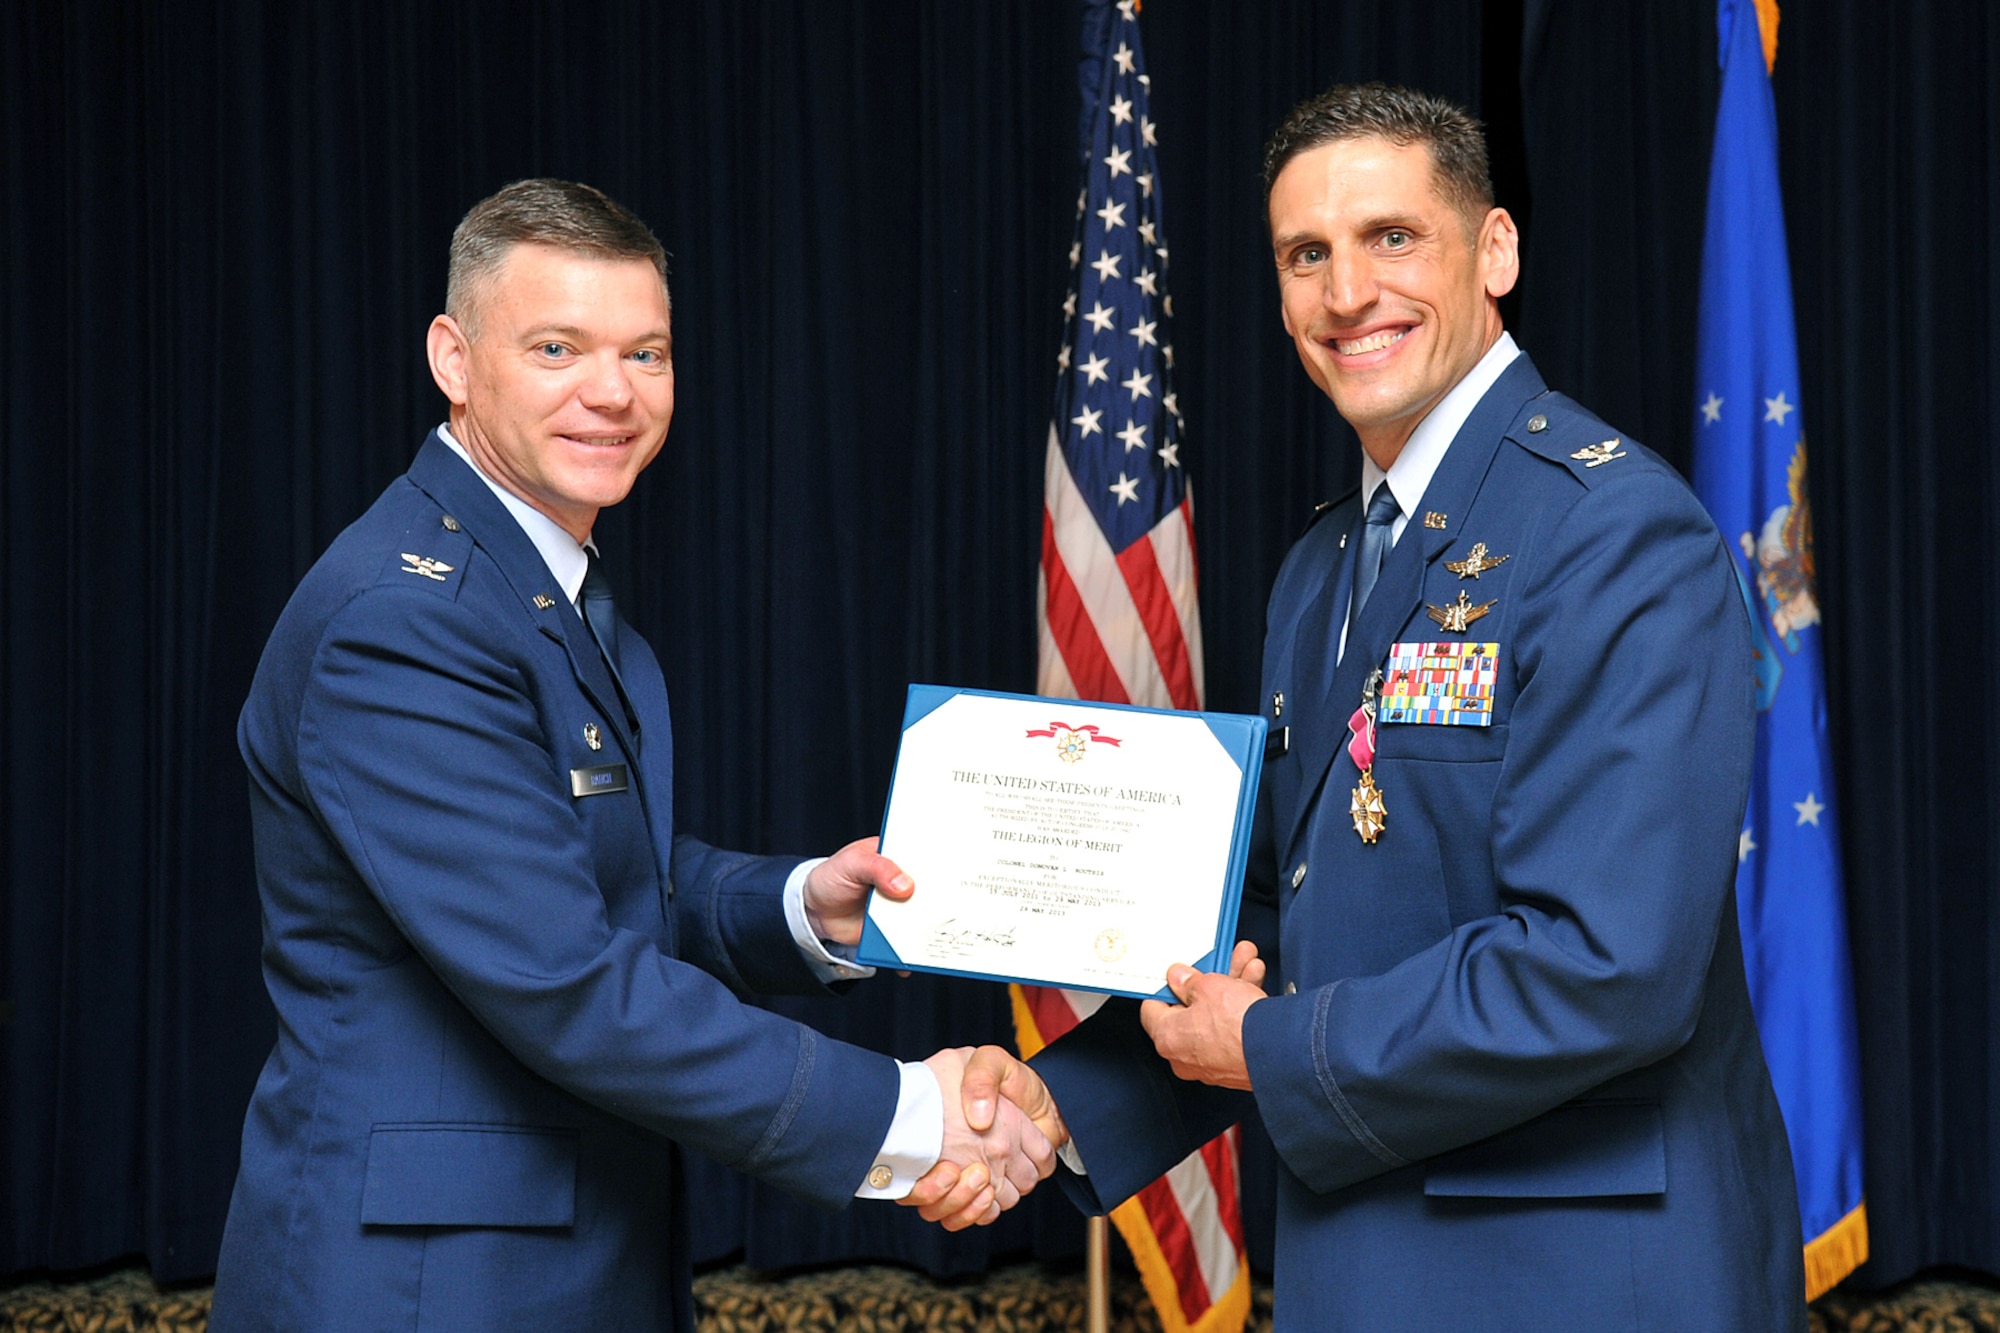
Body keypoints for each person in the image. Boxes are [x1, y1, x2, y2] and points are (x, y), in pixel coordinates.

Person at [912, 83, 1807, 1330]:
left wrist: (1267, 1048)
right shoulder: (1323, 564)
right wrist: (1064, 1108)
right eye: (1305, 254)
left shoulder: (1610, 531)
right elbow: (1282, 919)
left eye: (1391, 237)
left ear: (1494, 251)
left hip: (1576, 1274)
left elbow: (1607, 966)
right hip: (1366, 1262)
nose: (1346, 292)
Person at [209, 179, 1054, 1332]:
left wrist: (806, 906)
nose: (611, 392)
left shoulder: (522, 579)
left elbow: (595, 875)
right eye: (556, 348)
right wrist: (911, 1116)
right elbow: (564, 980)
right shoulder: (404, 619)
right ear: (453, 358)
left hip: (548, 1245)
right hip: (432, 1283)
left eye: (644, 353)